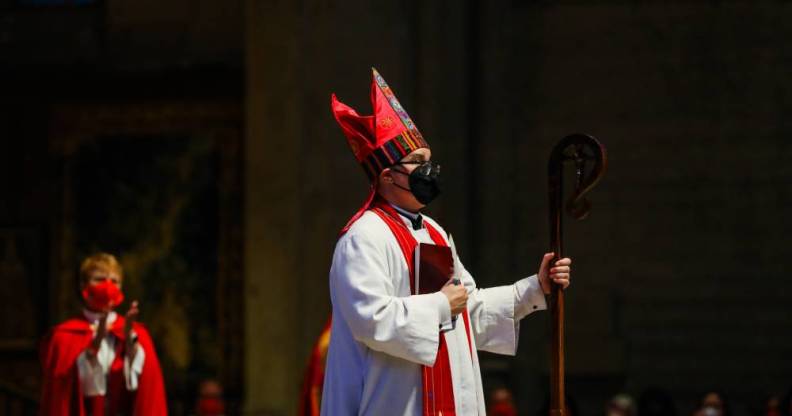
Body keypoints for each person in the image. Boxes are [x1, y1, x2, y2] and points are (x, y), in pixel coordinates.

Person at [320, 68, 573, 415]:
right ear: (386, 175)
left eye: (430, 160)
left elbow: (464, 313)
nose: (430, 171)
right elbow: (371, 319)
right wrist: (439, 306)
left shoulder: (434, 232)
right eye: (418, 162)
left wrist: (533, 290)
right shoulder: (363, 237)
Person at [38, 253, 167, 416]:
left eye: (114, 281)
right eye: (99, 279)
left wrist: (131, 345)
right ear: (83, 285)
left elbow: (148, 389)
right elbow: (59, 396)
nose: (108, 286)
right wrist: (94, 345)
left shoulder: (136, 332)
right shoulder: (63, 336)